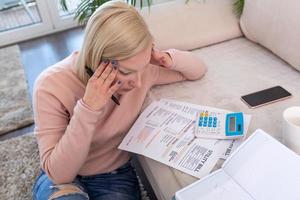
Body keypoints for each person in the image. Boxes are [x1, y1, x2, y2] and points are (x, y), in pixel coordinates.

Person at [32, 0, 207, 199]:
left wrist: (164, 57)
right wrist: (89, 108)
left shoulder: (142, 72)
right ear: (96, 59)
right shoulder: (50, 85)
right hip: (62, 177)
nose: (138, 83)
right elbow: (60, 174)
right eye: (127, 72)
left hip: (114, 175)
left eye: (141, 69)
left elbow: (197, 70)